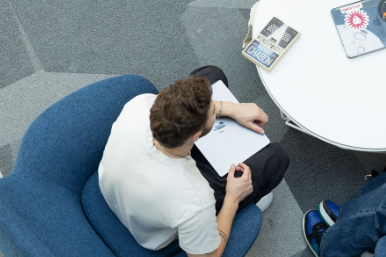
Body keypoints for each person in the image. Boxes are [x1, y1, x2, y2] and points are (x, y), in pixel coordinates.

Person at [98, 66, 289, 257]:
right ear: (196, 136)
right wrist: (233, 198)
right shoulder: (195, 199)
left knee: (213, 74)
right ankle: (250, 198)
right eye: (213, 113)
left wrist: (233, 109)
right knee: (275, 158)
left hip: (118, 179)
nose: (216, 109)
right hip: (152, 231)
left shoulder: (141, 104)